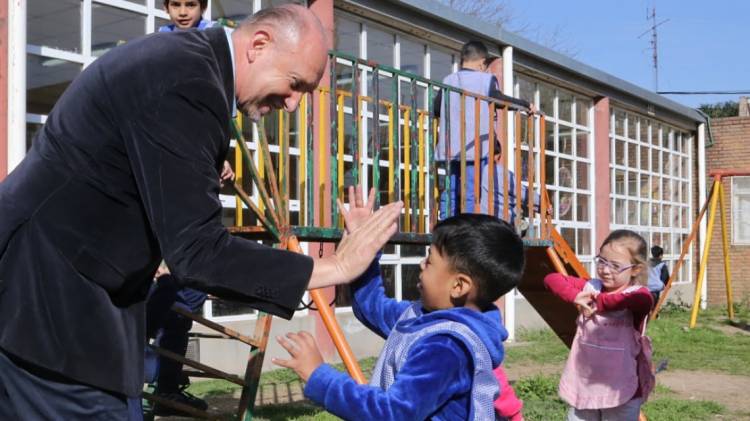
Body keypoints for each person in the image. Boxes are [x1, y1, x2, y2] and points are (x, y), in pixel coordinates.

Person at [0, 5, 402, 420]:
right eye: (295, 83)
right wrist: (335, 267)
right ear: (259, 45)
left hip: (48, 302)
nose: (293, 105)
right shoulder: (186, 82)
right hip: (53, 312)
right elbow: (198, 252)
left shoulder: (187, 66)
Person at [272, 187, 525, 420]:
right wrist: (364, 245)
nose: (421, 264)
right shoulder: (420, 316)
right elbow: (370, 305)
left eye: (430, 260)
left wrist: (320, 377)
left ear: (458, 286)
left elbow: (393, 413)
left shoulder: (447, 348)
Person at [143, 2, 232, 414]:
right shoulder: (161, 45)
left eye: (189, 4)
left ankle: (166, 383)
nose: (182, 12)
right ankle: (154, 372)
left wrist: (222, 153)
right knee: (169, 291)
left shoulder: (216, 39)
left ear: (202, 6)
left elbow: (223, 100)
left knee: (187, 293)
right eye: (175, 4)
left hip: (200, 151)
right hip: (169, 151)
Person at [544, 230, 654, 421]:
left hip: (621, 389)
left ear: (635, 269)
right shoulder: (590, 286)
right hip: (584, 384)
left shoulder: (639, 295)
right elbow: (551, 279)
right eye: (601, 261)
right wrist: (574, 296)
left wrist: (597, 302)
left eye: (615, 266)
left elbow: (628, 300)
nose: (605, 269)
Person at [434, 41, 530, 219]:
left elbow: (437, 108)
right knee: (471, 190)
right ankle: (467, 225)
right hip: (474, 147)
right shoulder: (485, 80)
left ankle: (446, 222)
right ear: (482, 63)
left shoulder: (448, 80)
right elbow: (499, 99)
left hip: (450, 147)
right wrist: (524, 105)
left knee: (451, 187)